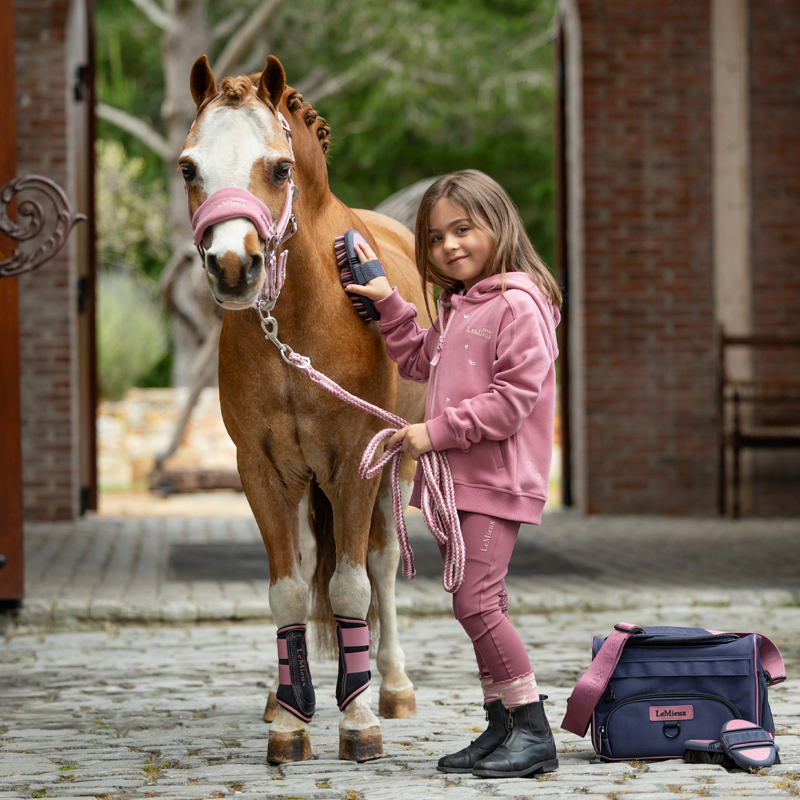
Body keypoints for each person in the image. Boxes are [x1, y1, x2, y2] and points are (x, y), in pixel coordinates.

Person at [346, 169, 562, 779]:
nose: (449, 246)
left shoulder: (520, 304)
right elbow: (419, 359)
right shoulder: (462, 306)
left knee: (478, 602)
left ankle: (533, 730)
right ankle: (501, 727)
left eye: (463, 230)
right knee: (475, 602)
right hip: (461, 481)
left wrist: (428, 434)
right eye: (436, 238)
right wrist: (387, 299)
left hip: (498, 479)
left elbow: (511, 400)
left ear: (499, 225)